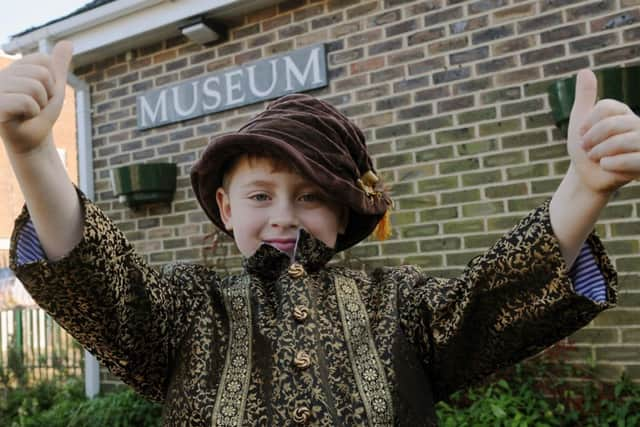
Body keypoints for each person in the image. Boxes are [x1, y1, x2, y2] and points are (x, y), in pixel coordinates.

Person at [1, 41, 638, 426]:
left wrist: (583, 187)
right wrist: (34, 156)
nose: (283, 215)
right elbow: (99, 280)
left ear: (346, 211)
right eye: (260, 195)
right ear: (225, 208)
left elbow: (496, 296)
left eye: (310, 197)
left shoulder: (404, 305)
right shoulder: (188, 311)